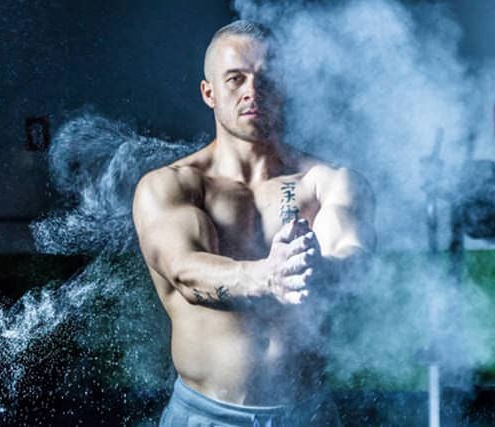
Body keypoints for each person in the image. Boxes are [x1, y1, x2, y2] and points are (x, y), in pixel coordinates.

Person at [132, 20, 376, 427]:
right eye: (235, 79)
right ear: (209, 92)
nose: (252, 91)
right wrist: (267, 276)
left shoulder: (328, 182)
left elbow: (352, 258)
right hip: (205, 417)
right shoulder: (171, 186)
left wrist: (320, 269)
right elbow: (185, 272)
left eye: (266, 79)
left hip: (307, 414)